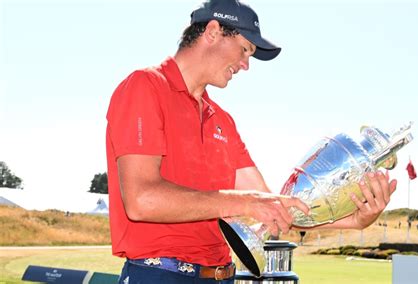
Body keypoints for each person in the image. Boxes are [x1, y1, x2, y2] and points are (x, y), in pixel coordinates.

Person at [105, 0, 397, 283]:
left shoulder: (222, 120)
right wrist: (246, 202)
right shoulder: (145, 87)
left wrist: (355, 220)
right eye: (245, 50)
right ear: (213, 32)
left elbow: (272, 205)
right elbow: (142, 200)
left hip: (222, 276)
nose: (246, 65)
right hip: (160, 275)